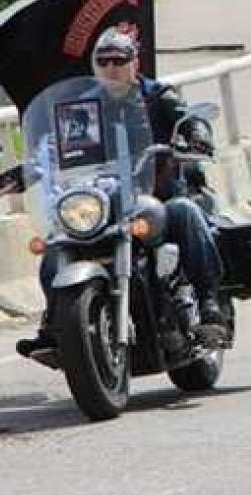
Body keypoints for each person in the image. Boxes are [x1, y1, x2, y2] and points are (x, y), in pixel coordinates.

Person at [15, 29, 228, 361]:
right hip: (102, 200)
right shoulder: (82, 106)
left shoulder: (157, 97)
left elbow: (189, 119)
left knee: (186, 211)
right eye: (104, 61)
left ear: (134, 62)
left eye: (120, 60)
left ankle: (210, 304)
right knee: (56, 243)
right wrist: (27, 168)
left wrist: (196, 135)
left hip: (154, 195)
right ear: (95, 66)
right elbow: (57, 147)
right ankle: (54, 323)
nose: (112, 67)